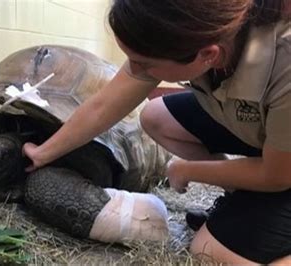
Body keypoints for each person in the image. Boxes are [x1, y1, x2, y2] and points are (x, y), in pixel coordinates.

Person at [22, 0, 291, 264]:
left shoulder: (285, 61)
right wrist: (44, 153)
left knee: (208, 250)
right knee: (154, 117)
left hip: (282, 163)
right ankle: (242, 193)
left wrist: (187, 170)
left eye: (144, 63)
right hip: (269, 134)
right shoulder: (195, 32)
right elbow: (101, 106)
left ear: (208, 54)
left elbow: (277, 175)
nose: (134, 70)